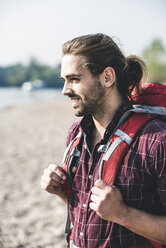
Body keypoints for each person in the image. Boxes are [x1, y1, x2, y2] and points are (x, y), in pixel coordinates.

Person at [40, 33, 166, 248]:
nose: (65, 90)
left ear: (107, 77)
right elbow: (90, 212)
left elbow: (112, 213)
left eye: (74, 79)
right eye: (64, 81)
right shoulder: (76, 134)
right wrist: (64, 193)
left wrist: (123, 214)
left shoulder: (157, 141)